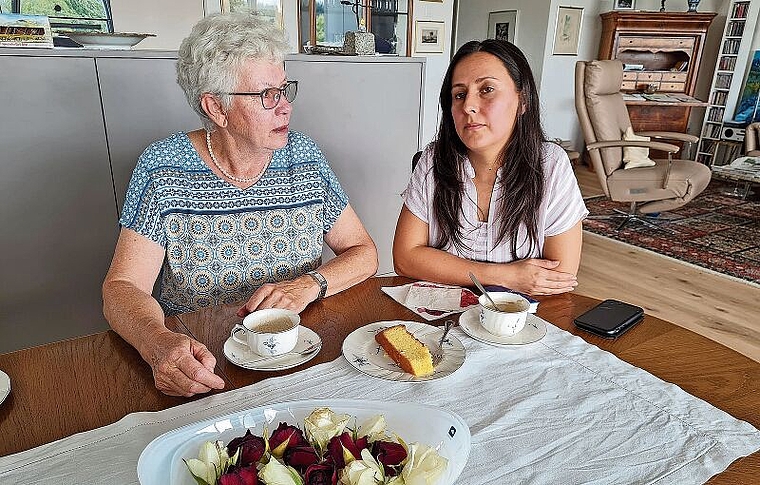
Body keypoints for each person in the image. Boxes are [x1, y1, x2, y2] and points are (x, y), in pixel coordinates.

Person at [102, 12, 378, 397]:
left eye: (284, 89)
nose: (285, 107)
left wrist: (308, 286)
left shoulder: (304, 157)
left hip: (298, 355)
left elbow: (364, 253)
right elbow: (121, 287)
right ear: (216, 108)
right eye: (267, 95)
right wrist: (156, 343)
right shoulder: (163, 168)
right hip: (204, 362)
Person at [393, 39, 587, 296]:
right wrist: (508, 276)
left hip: (520, 323)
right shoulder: (434, 160)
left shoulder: (551, 165)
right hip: (440, 317)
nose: (468, 106)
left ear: (523, 100)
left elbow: (557, 278)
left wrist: (447, 268)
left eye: (486, 90)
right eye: (459, 94)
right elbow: (405, 258)